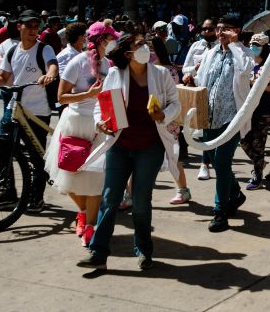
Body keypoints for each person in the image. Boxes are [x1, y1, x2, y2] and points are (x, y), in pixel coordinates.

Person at [77, 32, 181, 271]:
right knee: (109, 198)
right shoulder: (116, 74)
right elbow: (101, 106)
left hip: (150, 147)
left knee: (141, 201)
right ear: (128, 53)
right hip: (120, 146)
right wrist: (100, 123)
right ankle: (98, 251)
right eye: (139, 44)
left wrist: (164, 115)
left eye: (145, 43)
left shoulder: (161, 74)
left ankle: (143, 250)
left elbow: (175, 102)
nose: (145, 47)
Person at [44, 21, 117, 246]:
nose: (113, 41)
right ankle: (83, 212)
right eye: (110, 37)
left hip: (100, 125)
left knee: (95, 180)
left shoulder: (109, 64)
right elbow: (61, 97)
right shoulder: (77, 61)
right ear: (101, 40)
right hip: (75, 124)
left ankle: (90, 227)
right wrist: (89, 94)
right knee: (69, 175)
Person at [0, 10, 59, 212]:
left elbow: (52, 66)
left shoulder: (45, 49)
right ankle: (6, 194)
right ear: (20, 27)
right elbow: (4, 76)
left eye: (37, 26)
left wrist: (49, 76)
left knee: (36, 156)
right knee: (3, 151)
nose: (34, 30)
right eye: (30, 26)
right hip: (13, 108)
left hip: (37, 110)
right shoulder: (12, 50)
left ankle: (36, 197)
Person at [193, 15, 254, 232]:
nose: (220, 33)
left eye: (225, 29)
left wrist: (236, 44)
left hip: (232, 118)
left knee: (221, 162)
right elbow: (201, 78)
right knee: (213, 158)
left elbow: (247, 70)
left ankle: (220, 212)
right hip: (209, 117)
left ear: (236, 30)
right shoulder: (211, 53)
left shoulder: (245, 53)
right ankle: (235, 193)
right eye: (218, 29)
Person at [150, 35, 192, 205]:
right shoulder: (142, 71)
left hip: (167, 121)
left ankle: (183, 190)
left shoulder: (168, 71)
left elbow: (172, 99)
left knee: (172, 157)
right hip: (147, 123)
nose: (148, 53)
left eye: (151, 49)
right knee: (137, 157)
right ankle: (129, 194)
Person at [181, 18, 218, 179]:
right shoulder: (196, 47)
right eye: (204, 29)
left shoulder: (221, 47)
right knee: (203, 128)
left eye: (210, 29)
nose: (207, 32)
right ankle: (205, 164)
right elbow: (185, 69)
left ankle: (207, 162)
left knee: (211, 128)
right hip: (197, 90)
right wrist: (195, 69)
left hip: (214, 91)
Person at [239, 33, 270, 191]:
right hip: (247, 109)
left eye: (257, 45)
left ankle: (257, 175)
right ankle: (259, 162)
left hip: (264, 110)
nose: (253, 47)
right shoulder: (246, 63)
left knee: (258, 142)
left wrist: (259, 83)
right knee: (243, 140)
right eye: (252, 44)